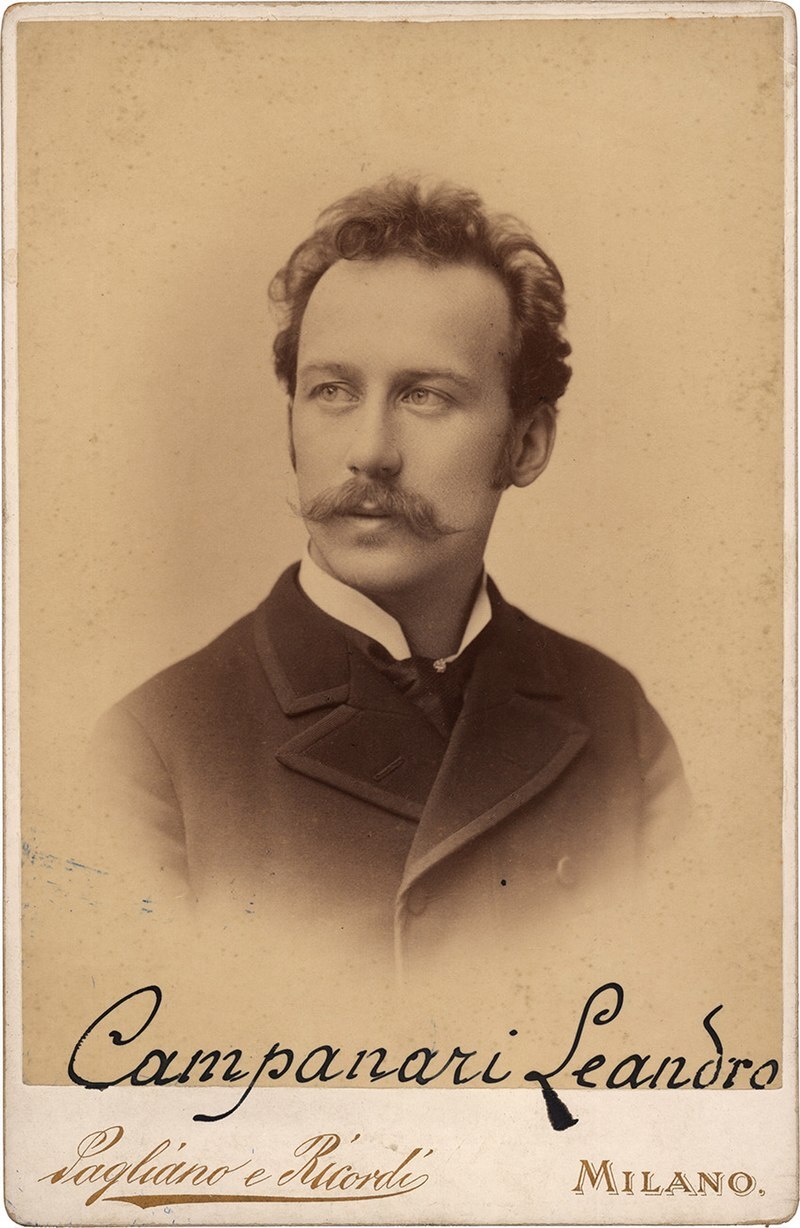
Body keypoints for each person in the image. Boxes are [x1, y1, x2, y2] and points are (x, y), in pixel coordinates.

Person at [92, 178, 690, 985]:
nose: (369, 450)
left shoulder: (618, 724)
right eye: (332, 391)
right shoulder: (154, 749)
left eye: (425, 395)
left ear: (527, 444)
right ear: (293, 423)